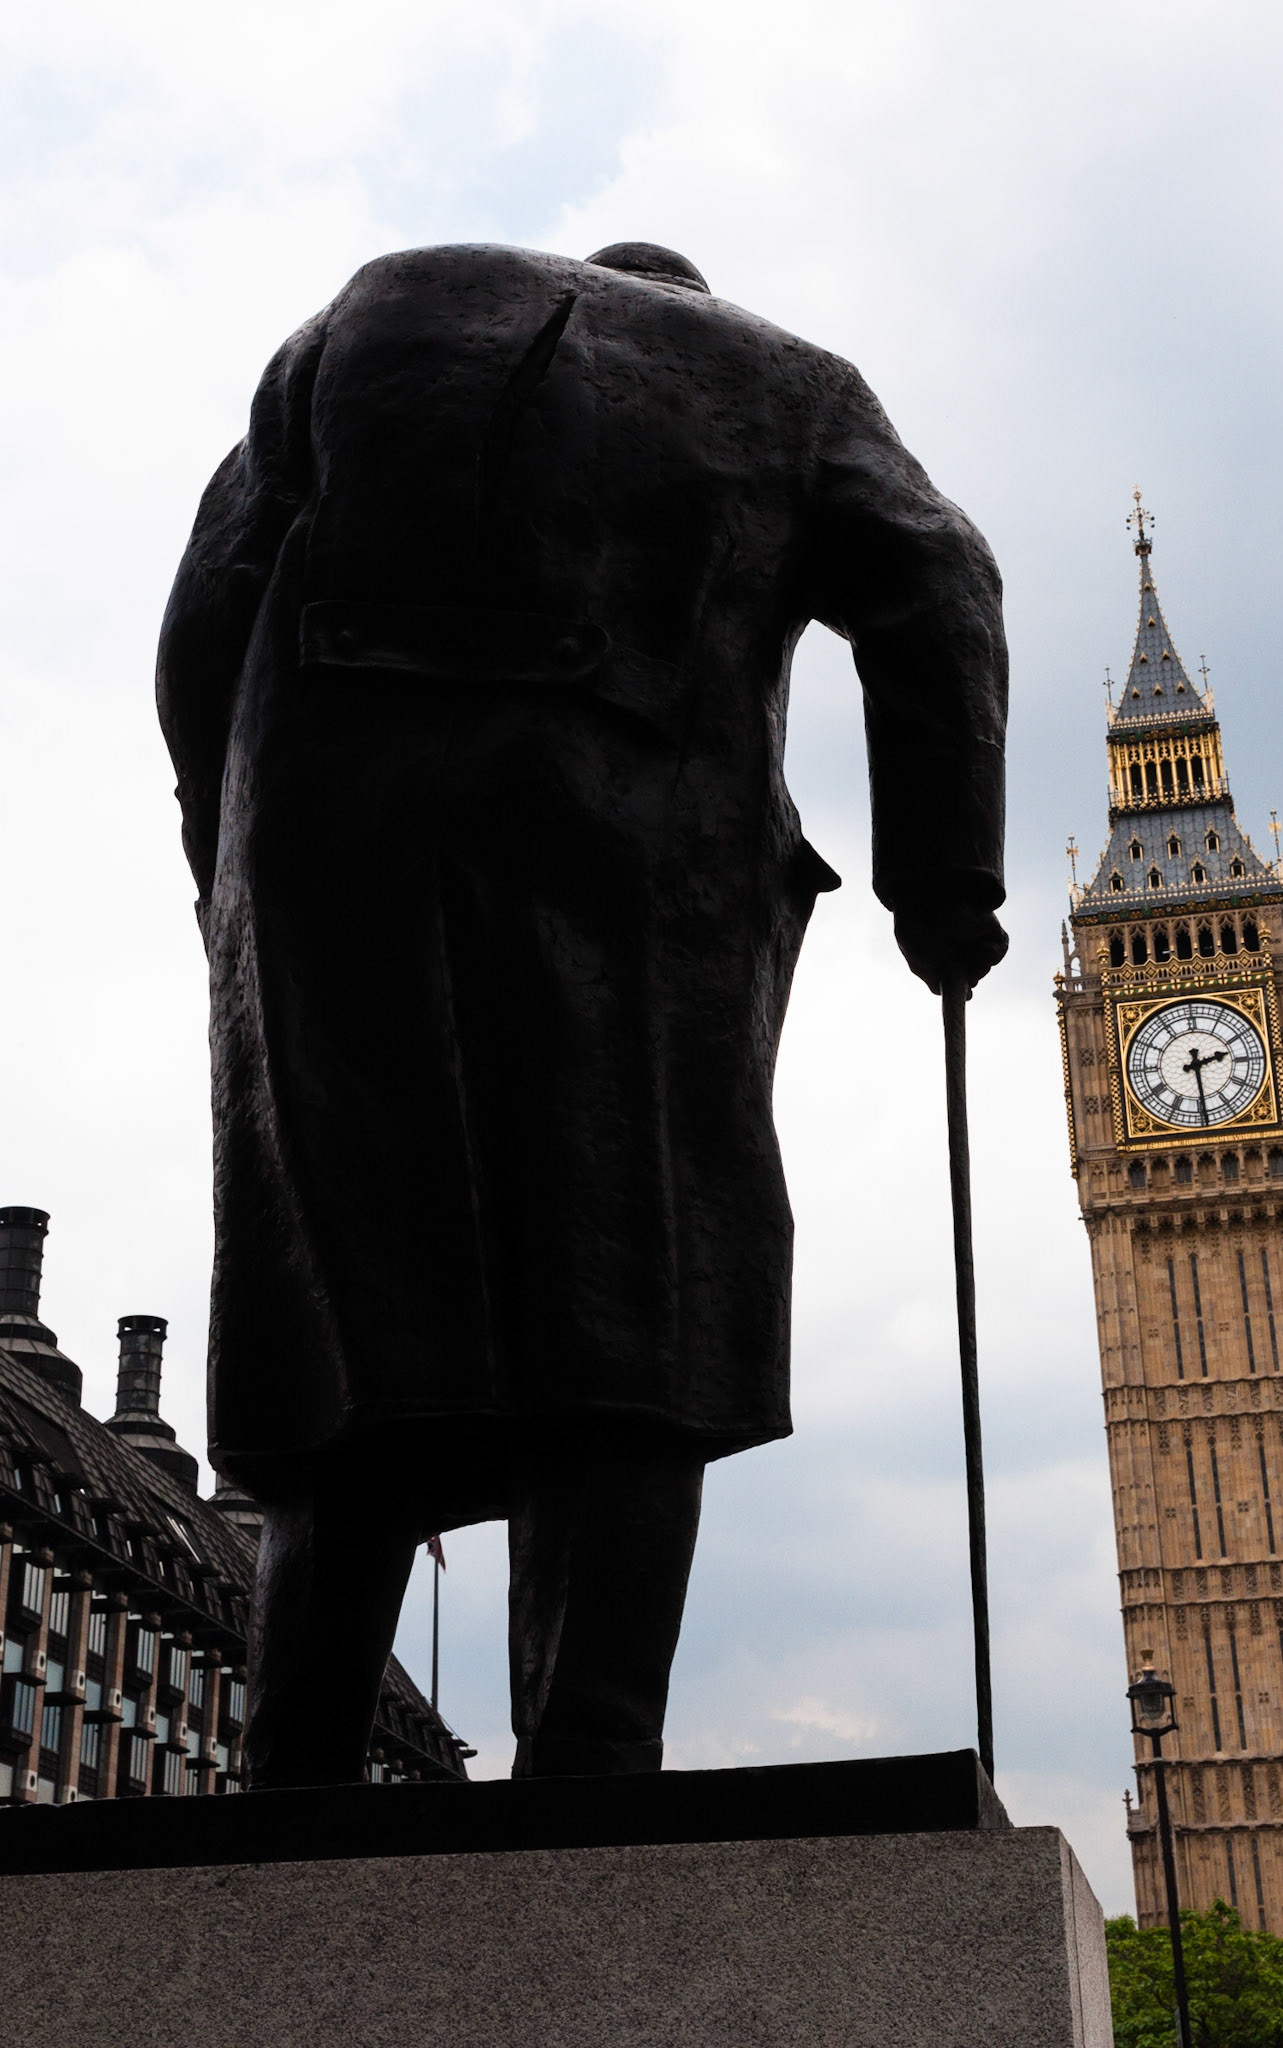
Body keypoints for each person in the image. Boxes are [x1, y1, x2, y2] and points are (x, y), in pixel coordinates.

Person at [158, 239, 1008, 1788]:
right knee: (634, 1269)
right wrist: (941, 883)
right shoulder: (787, 381)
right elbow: (938, 578)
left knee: (342, 1290)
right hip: (629, 845)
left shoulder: (352, 319)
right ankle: (591, 1753)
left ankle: (293, 1768)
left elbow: (206, 610)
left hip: (320, 834)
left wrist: (226, 854)